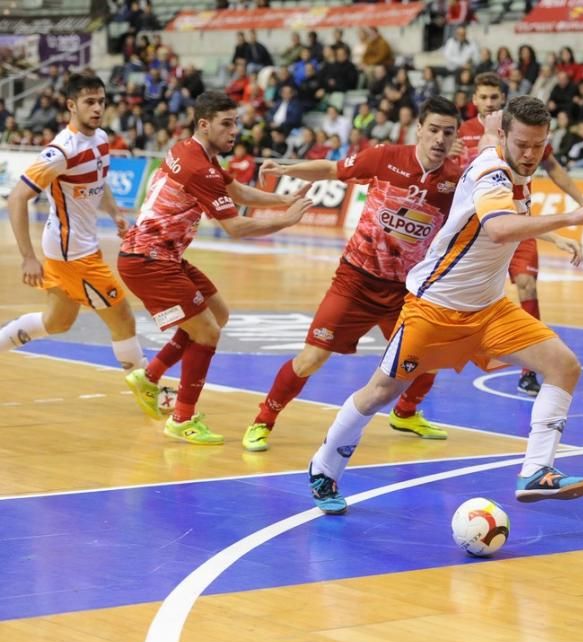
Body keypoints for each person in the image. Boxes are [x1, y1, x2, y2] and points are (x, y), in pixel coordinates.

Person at [306, 100, 583, 515]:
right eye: (521, 144)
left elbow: (488, 134)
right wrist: (568, 218)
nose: (529, 154)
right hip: (436, 308)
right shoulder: (490, 175)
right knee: (381, 392)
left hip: (489, 310)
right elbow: (500, 229)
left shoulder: (500, 150)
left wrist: (491, 124)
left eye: (538, 146)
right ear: (505, 139)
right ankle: (324, 466)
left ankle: (537, 470)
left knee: (564, 365)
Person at [241, 97, 466, 452]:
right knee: (311, 358)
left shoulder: (457, 181)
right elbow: (332, 170)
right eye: (434, 130)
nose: (439, 139)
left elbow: (490, 216)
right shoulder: (385, 157)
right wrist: (287, 170)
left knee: (430, 356)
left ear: (456, 136)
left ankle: (405, 414)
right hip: (356, 280)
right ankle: (263, 421)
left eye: (448, 132)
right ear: (419, 130)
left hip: (406, 291)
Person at [117, 91, 312, 444]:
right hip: (149, 260)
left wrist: (286, 199)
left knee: (217, 313)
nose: (234, 131)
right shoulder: (199, 168)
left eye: (236, 122)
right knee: (207, 332)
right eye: (226, 123)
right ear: (204, 124)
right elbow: (235, 227)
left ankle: (150, 376)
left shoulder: (188, 150)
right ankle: (182, 418)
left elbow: (235, 191)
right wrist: (284, 221)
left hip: (160, 255)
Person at [2, 74, 152, 392]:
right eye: (89, 102)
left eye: (101, 101)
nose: (98, 108)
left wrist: (112, 211)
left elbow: (99, 180)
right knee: (123, 317)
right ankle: (149, 389)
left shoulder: (100, 138)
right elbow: (16, 198)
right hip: (73, 253)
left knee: (57, 322)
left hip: (77, 246)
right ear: (72, 105)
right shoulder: (60, 151)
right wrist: (28, 258)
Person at [455, 73, 583, 396]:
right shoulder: (461, 133)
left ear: (503, 99)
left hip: (516, 220)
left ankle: (531, 370)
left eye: (494, 97)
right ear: (474, 100)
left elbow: (552, 167)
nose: (489, 103)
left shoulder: (521, 129)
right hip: (474, 228)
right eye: (483, 97)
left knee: (527, 285)